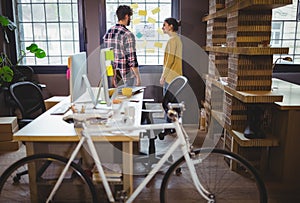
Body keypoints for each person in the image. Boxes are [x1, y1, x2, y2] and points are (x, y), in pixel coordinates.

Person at [103, 5, 141, 87]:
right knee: (128, 99)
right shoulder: (128, 34)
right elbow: (132, 59)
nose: (130, 19)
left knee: (116, 99)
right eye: (130, 17)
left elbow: (108, 58)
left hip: (114, 76)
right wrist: (138, 77)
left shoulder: (108, 33)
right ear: (127, 16)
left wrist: (112, 76)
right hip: (126, 77)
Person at [160, 18, 182, 94]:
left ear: (171, 26)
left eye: (164, 25)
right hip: (176, 76)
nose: (162, 27)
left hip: (170, 77)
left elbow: (170, 60)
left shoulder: (172, 40)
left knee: (167, 103)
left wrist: (163, 76)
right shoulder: (177, 39)